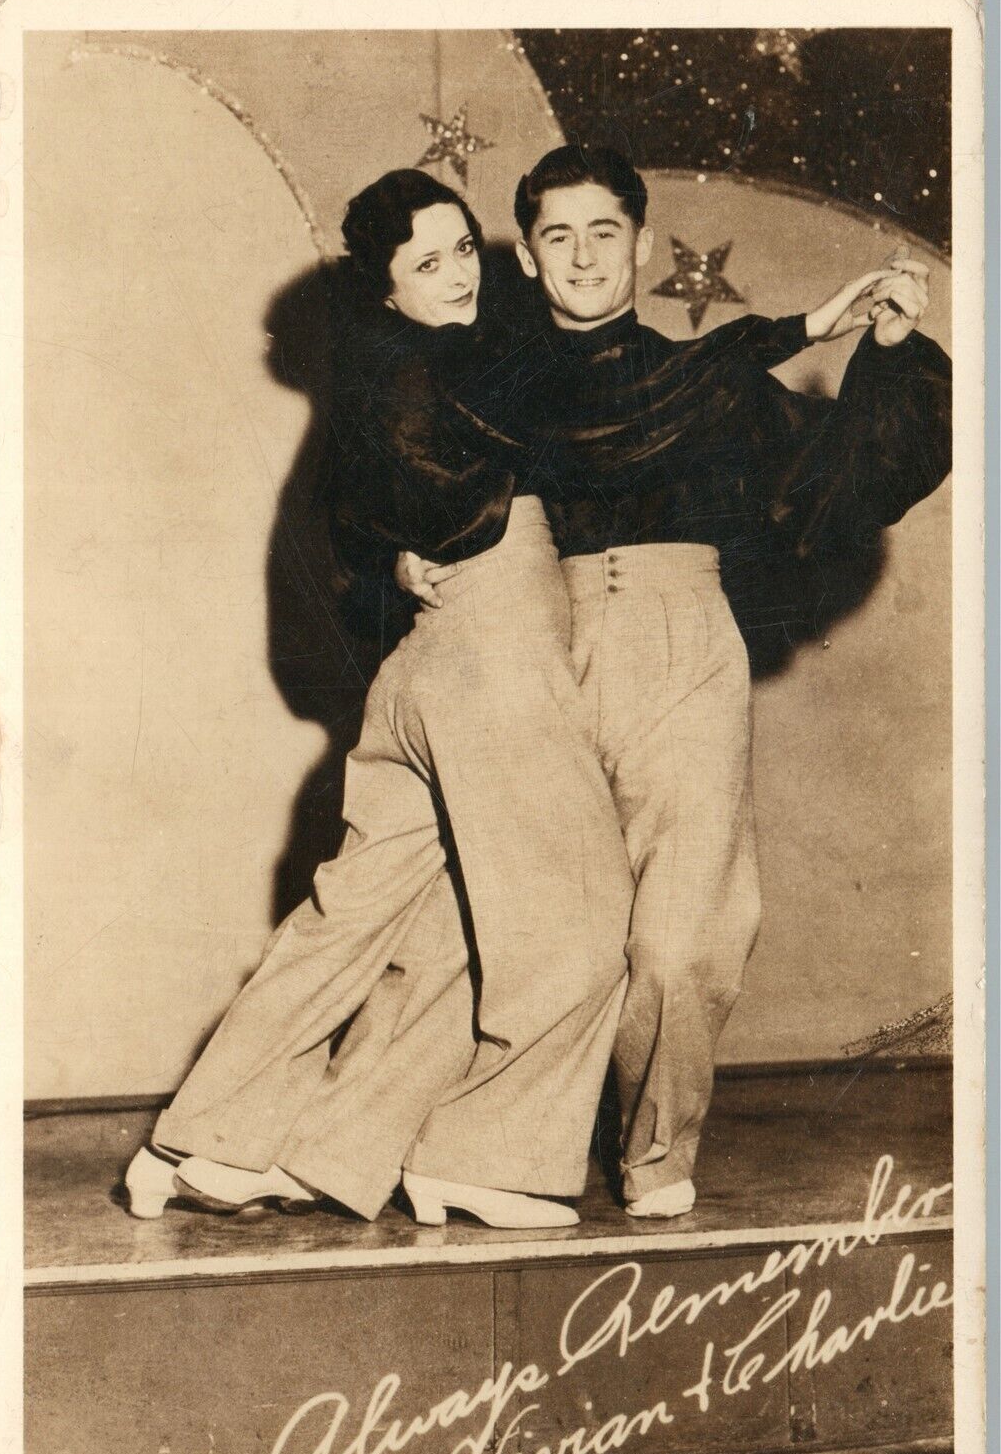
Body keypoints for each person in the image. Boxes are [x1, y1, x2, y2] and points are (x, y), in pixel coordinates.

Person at [383, 145, 952, 1219]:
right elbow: (400, 484)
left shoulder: (707, 383)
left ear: (642, 245)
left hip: (681, 647)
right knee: (524, 923)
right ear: (528, 257)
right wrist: (398, 556)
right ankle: (481, 1147)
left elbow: (847, 477)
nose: (583, 254)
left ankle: (652, 1149)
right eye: (556, 234)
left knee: (683, 929)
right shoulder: (493, 387)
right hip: (530, 648)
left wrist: (886, 346)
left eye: (604, 230)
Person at [123, 168, 634, 1229]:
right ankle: (491, 1160)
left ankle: (222, 1142)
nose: (458, 277)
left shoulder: (378, 382)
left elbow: (344, 524)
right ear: (386, 288)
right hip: (496, 653)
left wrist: (389, 561)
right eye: (427, 262)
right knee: (570, 911)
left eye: (463, 252)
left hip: (422, 671)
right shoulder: (470, 367)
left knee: (385, 924)